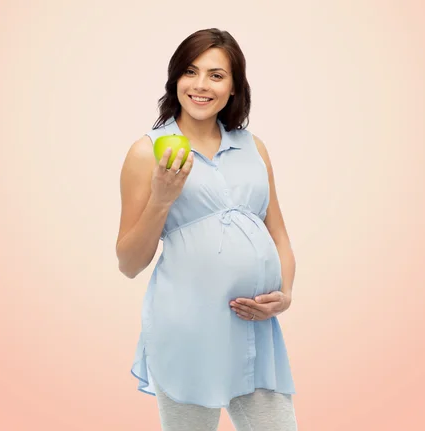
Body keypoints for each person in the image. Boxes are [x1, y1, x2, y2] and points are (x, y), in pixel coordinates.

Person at [116, 28, 298, 431]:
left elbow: (279, 234)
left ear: (233, 87)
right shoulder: (148, 151)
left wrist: (283, 295)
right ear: (175, 79)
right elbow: (128, 262)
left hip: (255, 331)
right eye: (190, 72)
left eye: (216, 75)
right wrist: (162, 198)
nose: (201, 85)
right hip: (188, 332)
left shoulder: (254, 147)